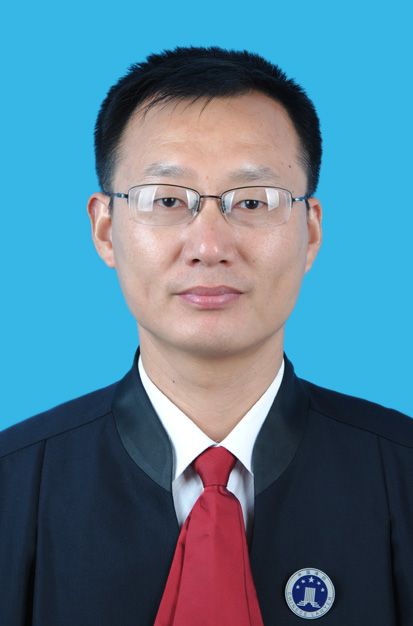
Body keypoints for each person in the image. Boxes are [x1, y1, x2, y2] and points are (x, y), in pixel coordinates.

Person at [1, 46, 412, 626]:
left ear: (311, 231)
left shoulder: (402, 475)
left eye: (254, 201)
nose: (210, 246)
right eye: (167, 200)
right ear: (106, 229)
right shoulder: (13, 488)